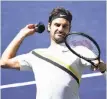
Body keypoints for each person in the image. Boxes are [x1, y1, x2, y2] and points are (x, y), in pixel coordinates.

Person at [0, 7, 106, 99]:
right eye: (57, 25)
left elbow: (100, 65)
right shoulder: (36, 55)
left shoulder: (80, 51)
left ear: (69, 29)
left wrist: (102, 66)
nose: (60, 29)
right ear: (49, 26)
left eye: (65, 26)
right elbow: (4, 62)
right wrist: (22, 34)